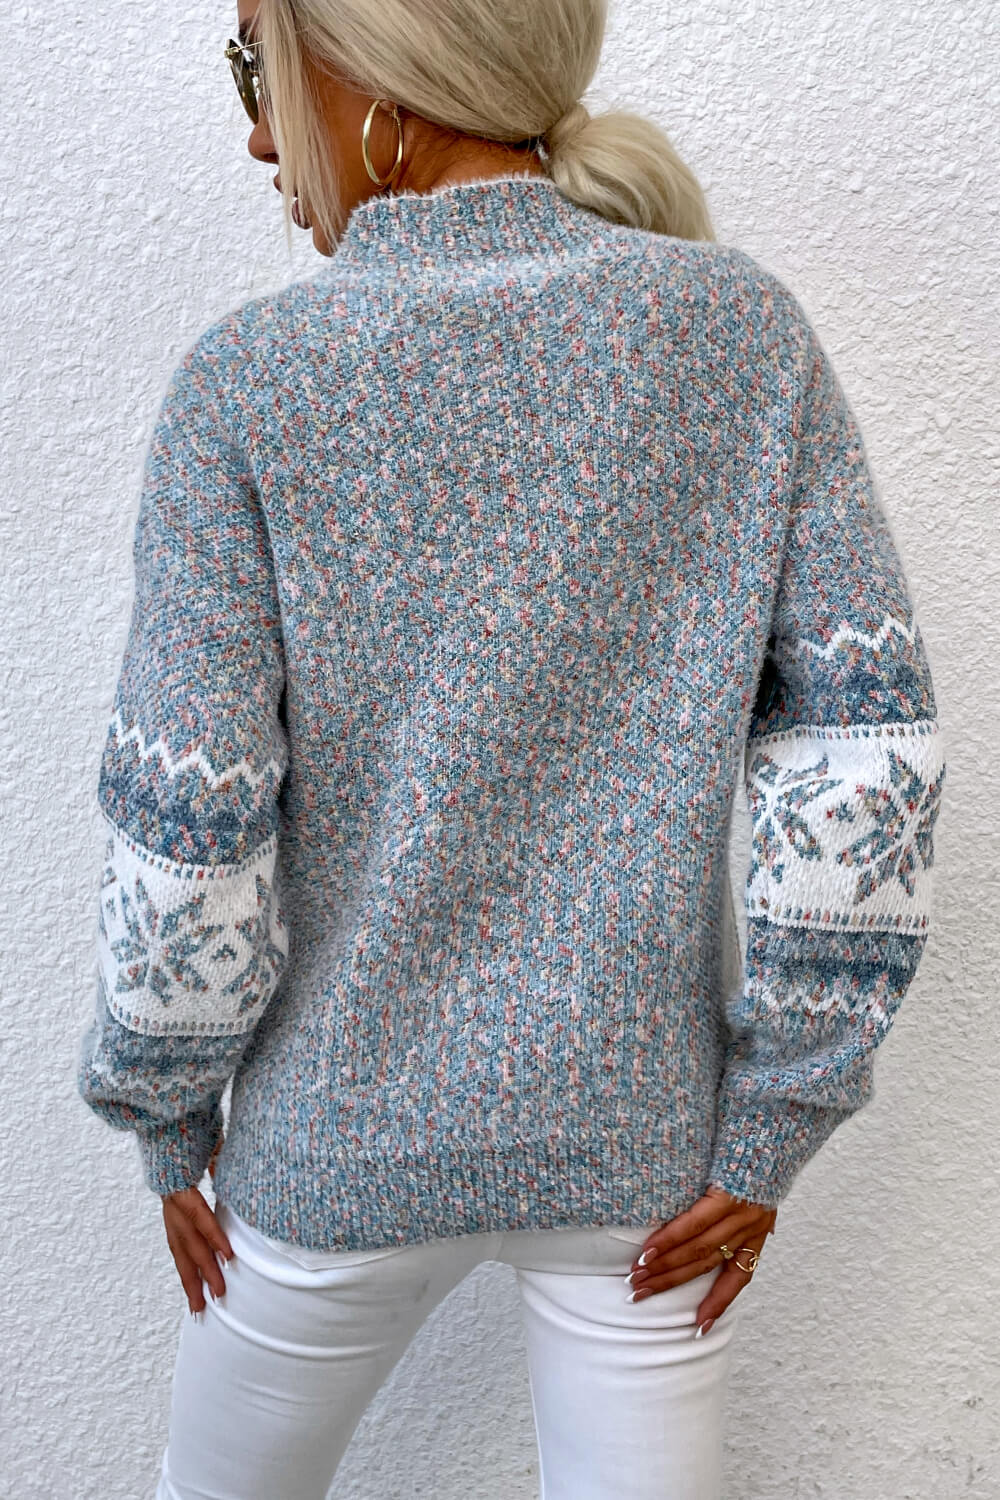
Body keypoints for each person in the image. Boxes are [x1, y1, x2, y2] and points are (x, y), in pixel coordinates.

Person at [74, 1, 946, 1496]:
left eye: (257, 66)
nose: (261, 136)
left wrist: (164, 1111)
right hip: (644, 1161)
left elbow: (194, 821)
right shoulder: (739, 333)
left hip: (330, 1149)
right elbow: (862, 758)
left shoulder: (254, 380)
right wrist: (776, 1119)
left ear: (378, 79)